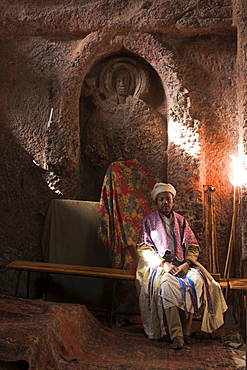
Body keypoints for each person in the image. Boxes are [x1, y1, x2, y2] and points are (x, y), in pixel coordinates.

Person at [135, 183, 228, 349]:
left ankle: (186, 331)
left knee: (198, 283)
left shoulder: (181, 221)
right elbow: (143, 248)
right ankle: (176, 334)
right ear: (157, 202)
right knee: (167, 286)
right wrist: (163, 264)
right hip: (160, 266)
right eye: (161, 199)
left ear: (173, 201)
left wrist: (186, 264)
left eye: (168, 199)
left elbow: (193, 246)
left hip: (182, 265)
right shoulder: (149, 222)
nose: (165, 202)